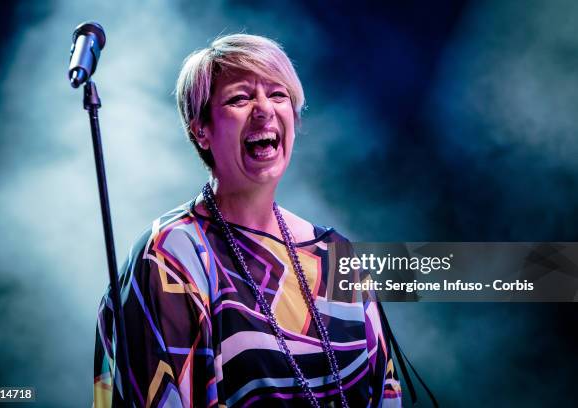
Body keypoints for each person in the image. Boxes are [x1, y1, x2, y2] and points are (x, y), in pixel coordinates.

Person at [93, 34, 402, 407]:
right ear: (201, 131)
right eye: (240, 98)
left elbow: (384, 391)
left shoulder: (337, 255)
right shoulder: (172, 256)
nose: (264, 109)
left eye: (278, 95)